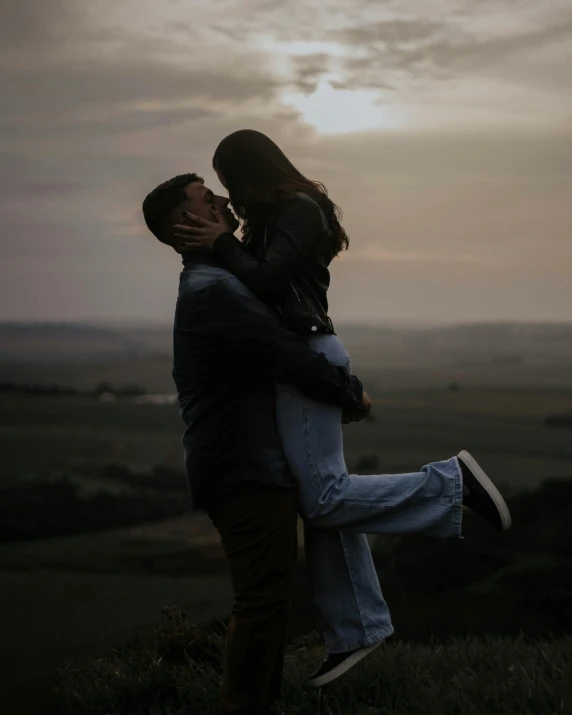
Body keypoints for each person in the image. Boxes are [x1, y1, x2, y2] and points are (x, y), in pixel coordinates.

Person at [170, 130, 512, 688]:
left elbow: (269, 280)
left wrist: (220, 244)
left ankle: (451, 485)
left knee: (324, 498)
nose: (228, 199)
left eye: (229, 183)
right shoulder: (268, 218)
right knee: (323, 494)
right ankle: (355, 628)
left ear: (252, 171)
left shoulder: (299, 209)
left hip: (307, 352)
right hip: (300, 358)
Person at [142, 173, 371, 715]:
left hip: (246, 464)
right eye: (206, 198)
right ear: (187, 223)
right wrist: (350, 394)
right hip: (242, 468)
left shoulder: (220, 278)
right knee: (261, 600)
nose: (222, 198)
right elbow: (281, 354)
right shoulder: (212, 290)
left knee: (267, 597)